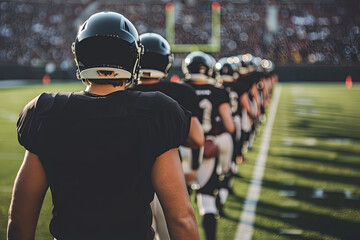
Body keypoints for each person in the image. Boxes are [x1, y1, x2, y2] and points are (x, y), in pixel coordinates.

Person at [7, 11, 199, 240]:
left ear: (80, 56)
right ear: (133, 58)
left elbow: (19, 220)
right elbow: (181, 219)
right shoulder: (157, 111)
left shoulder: (46, 111)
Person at [130, 32, 204, 240]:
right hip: (168, 177)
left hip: (127, 180)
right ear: (166, 62)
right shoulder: (181, 92)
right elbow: (197, 139)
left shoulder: (122, 90)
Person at [182, 51, 234, 240]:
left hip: (182, 150)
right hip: (207, 146)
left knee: (174, 204)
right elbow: (230, 125)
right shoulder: (218, 92)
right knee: (207, 200)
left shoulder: (178, 89)